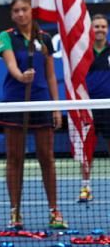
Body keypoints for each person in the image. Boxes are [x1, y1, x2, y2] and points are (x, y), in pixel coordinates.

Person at [0, 0, 66, 230]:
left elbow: (50, 76)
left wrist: (56, 106)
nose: (20, 14)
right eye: (16, 11)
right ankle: (15, 212)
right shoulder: (6, 37)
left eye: (24, 9)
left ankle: (54, 211)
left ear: (31, 11)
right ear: (12, 14)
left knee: (47, 157)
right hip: (15, 103)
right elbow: (11, 65)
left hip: (41, 102)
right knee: (14, 159)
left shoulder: (44, 38)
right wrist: (21, 76)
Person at [76, 14, 110, 203]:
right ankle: (86, 186)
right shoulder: (83, 53)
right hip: (88, 107)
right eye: (96, 26)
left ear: (107, 29)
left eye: (103, 26)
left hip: (109, 106)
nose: (99, 30)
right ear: (91, 29)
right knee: (87, 149)